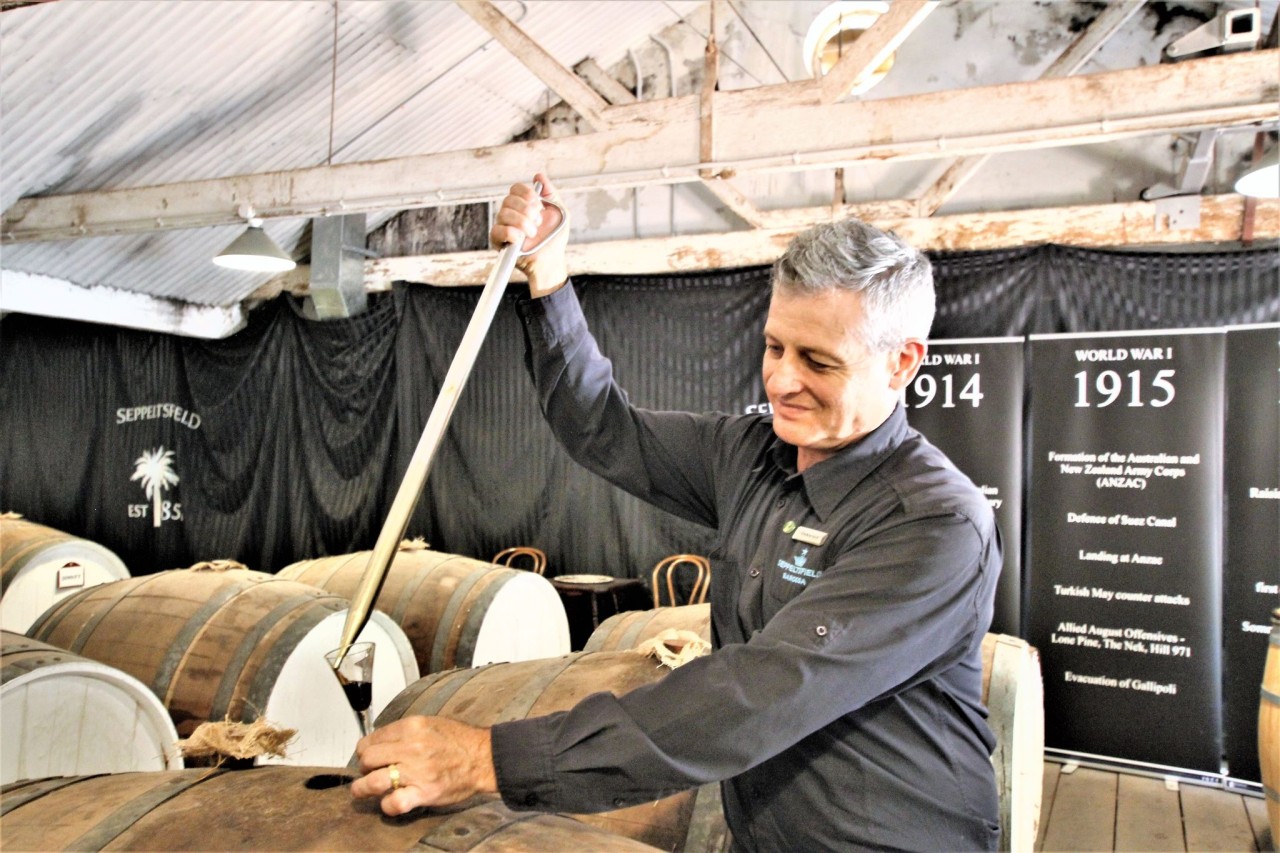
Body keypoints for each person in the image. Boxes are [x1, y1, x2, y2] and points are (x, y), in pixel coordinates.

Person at [352, 173, 1003, 851]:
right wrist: (547, 271)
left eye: (818, 360)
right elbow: (603, 429)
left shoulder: (933, 524)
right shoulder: (753, 453)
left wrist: (489, 759)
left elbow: (761, 691)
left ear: (902, 363)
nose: (780, 379)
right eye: (775, 346)